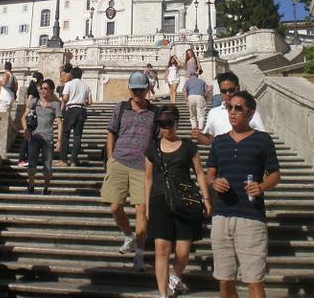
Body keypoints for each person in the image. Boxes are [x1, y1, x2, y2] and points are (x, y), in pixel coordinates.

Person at [206, 91, 281, 298]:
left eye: (239, 108)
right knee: (224, 281)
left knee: (254, 281)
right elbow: (209, 175)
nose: (232, 112)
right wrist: (214, 182)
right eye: (230, 107)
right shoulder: (219, 142)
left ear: (250, 113)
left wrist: (262, 186)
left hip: (251, 218)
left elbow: (275, 174)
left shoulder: (263, 140)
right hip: (222, 216)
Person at [145, 104, 212, 298]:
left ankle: (175, 276)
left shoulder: (189, 147)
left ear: (177, 123)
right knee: (161, 249)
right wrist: (147, 205)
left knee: (183, 250)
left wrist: (206, 198)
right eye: (162, 124)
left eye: (169, 124)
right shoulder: (152, 148)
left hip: (184, 199)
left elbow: (199, 173)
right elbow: (148, 178)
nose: (166, 128)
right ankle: (163, 293)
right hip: (159, 200)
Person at [100, 71, 159, 272]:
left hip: (143, 166)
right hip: (119, 161)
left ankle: (140, 254)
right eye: (134, 89)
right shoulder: (121, 108)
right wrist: (110, 159)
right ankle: (128, 235)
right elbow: (111, 132)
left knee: (141, 209)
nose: (137, 93)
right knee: (115, 207)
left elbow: (159, 141)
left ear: (147, 89)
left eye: (141, 89)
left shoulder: (155, 112)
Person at [192, 72, 265, 146]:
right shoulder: (213, 113)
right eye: (223, 91)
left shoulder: (249, 113)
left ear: (238, 88)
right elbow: (210, 140)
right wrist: (198, 136)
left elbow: (262, 138)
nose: (227, 94)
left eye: (231, 90)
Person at [22, 78, 62, 194]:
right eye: (42, 88)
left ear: (51, 91)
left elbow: (59, 122)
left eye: (46, 89)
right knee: (32, 163)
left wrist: (59, 140)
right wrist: (26, 130)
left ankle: (46, 188)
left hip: (48, 138)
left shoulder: (55, 105)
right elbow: (23, 117)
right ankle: (31, 186)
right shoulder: (34, 102)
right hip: (34, 137)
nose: (43, 91)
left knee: (48, 165)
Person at [56, 66, 92, 167]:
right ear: (81, 75)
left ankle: (64, 160)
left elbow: (65, 98)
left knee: (65, 135)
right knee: (77, 136)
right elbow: (90, 102)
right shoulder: (86, 86)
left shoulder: (68, 84)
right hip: (82, 110)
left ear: (71, 74)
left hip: (71, 110)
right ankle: (73, 161)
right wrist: (81, 100)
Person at [18, 72, 43, 167]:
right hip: (31, 116)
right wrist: (30, 107)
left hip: (31, 115)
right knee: (27, 138)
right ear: (40, 80)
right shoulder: (33, 89)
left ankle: (27, 158)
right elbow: (29, 100)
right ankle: (22, 159)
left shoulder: (31, 88)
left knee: (29, 138)